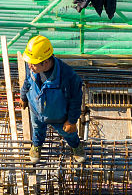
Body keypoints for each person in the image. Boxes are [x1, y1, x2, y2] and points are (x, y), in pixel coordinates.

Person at [21, 35, 85, 164]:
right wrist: (23, 97)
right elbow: (27, 81)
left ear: (45, 62)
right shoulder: (32, 66)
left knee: (68, 133)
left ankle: (76, 146)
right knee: (37, 129)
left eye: (33, 63)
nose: (29, 65)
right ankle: (37, 146)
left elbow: (76, 101)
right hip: (36, 111)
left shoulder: (68, 76)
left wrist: (71, 121)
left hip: (58, 115)